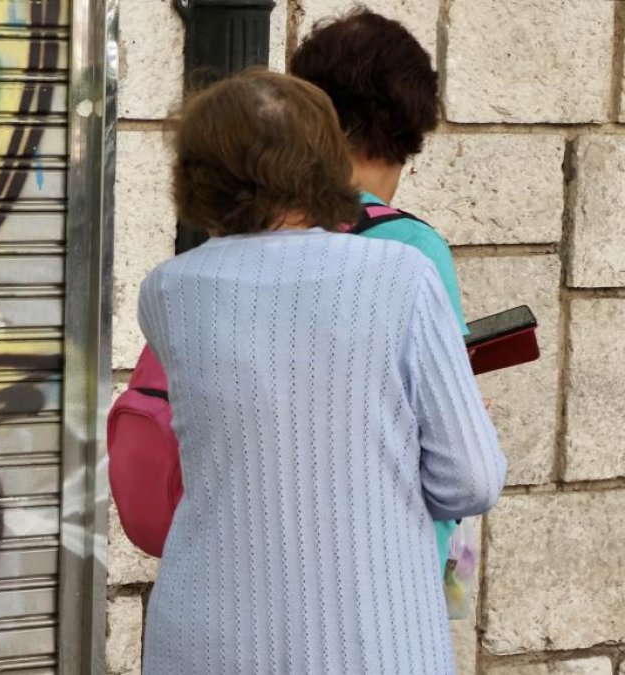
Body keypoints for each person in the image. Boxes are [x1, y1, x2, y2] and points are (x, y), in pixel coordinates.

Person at [138, 69, 506, 674]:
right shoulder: (403, 276)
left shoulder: (168, 292)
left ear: (197, 177)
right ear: (325, 164)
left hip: (204, 643)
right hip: (375, 641)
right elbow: (471, 480)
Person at [291, 8, 468, 573]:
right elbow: (458, 459)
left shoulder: (256, 227)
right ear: (411, 126)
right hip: (380, 562)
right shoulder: (412, 249)